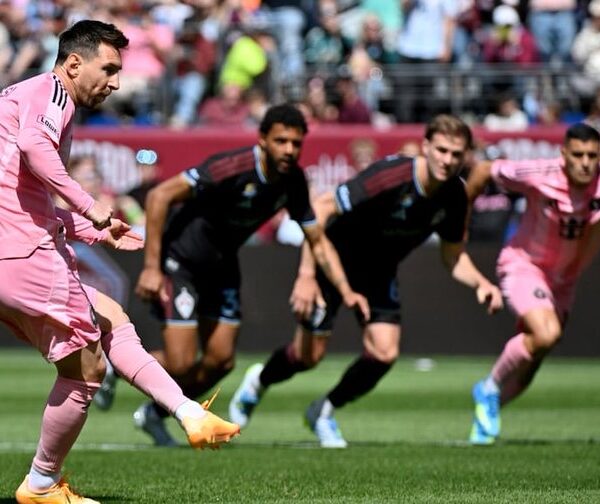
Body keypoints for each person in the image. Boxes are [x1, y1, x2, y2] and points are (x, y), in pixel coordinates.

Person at [0, 20, 239, 504]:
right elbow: (34, 149)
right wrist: (91, 206)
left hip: (15, 249)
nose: (115, 82)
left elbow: (20, 196)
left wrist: (96, 229)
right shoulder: (53, 95)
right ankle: (42, 483)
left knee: (111, 317)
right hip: (24, 254)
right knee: (86, 370)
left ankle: (188, 411)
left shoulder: (19, 96)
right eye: (108, 69)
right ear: (73, 64)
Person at [229, 114, 503, 448]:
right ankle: (258, 382)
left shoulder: (456, 195)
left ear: (465, 156)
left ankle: (323, 411)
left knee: (385, 353)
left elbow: (452, 255)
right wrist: (307, 275)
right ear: (426, 147)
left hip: (379, 271)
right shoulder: (391, 176)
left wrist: (481, 283)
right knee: (307, 357)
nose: (447, 160)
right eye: (441, 150)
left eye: (456, 154)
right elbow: (322, 208)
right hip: (332, 263)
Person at [133, 103, 369, 446]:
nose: (289, 150)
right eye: (281, 141)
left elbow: (317, 239)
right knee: (180, 364)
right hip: (182, 261)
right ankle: (117, 364)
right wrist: (151, 267)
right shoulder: (231, 167)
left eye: (296, 143)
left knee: (221, 361)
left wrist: (346, 291)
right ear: (262, 139)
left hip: (223, 266)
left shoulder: (293, 181)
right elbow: (158, 196)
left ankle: (153, 414)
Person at [466, 123, 600, 445]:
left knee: (532, 359)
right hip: (525, 266)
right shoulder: (539, 172)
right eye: (578, 155)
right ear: (563, 155)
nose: (585, 163)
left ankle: (487, 415)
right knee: (546, 333)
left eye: (592, 156)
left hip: (564, 281)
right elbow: (484, 170)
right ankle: (488, 388)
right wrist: (458, 221)